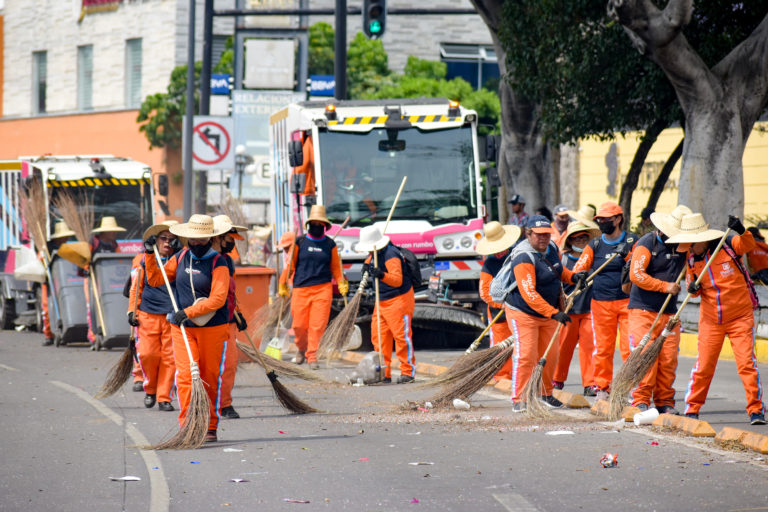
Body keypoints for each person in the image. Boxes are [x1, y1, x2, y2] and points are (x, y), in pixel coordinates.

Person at [668, 213, 765, 425]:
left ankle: (756, 410)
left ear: (702, 239)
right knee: (703, 366)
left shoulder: (728, 245)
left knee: (747, 365)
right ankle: (692, 408)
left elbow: (746, 244)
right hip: (711, 320)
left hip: (740, 317)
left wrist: (741, 229)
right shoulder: (692, 259)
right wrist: (694, 289)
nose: (689, 248)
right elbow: (692, 290)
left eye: (691, 244)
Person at [144, 214, 233, 443]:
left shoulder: (219, 262)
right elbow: (155, 280)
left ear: (210, 239)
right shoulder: (181, 256)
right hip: (182, 328)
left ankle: (210, 425)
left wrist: (188, 312)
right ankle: (187, 426)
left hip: (212, 327)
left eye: (201, 239)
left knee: (208, 377)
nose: (196, 243)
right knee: (185, 377)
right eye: (193, 238)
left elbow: (218, 299)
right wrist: (150, 255)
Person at [561, 201, 637, 401]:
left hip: (627, 302)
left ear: (618, 219)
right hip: (601, 304)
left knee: (630, 349)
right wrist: (580, 276)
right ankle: (602, 388)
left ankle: (630, 389)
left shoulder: (632, 240)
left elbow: (640, 267)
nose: (602, 223)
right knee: (603, 348)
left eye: (606, 220)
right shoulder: (594, 245)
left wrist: (628, 255)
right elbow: (579, 267)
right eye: (599, 220)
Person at [626, 205, 692, 414]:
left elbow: (691, 272)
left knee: (668, 360)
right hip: (643, 311)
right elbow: (636, 275)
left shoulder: (685, 247)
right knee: (645, 357)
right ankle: (641, 399)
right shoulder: (647, 243)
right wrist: (665, 286)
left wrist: (693, 284)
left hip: (670, 313)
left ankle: (665, 401)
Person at [506, 215, 568, 412]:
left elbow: (559, 271)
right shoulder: (523, 257)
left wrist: (574, 277)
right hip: (523, 313)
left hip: (548, 314)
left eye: (546, 235)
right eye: (538, 235)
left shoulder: (552, 249)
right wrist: (553, 313)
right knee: (526, 356)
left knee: (551, 355)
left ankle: (545, 393)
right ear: (528, 234)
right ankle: (520, 398)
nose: (543, 239)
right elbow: (528, 294)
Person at [278, 205, 347, 370]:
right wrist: (282, 283)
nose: (317, 226)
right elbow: (290, 267)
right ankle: (302, 348)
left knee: (317, 325)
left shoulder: (330, 245)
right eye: (314, 223)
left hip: (323, 289)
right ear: (309, 225)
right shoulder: (299, 242)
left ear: (324, 226)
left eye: (320, 223)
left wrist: (342, 282)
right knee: (299, 326)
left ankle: (312, 356)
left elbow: (336, 268)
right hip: (301, 289)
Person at [128, 221, 179, 412]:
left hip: (171, 317)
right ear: (156, 240)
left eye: (172, 240)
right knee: (148, 355)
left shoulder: (179, 261)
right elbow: (136, 287)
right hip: (148, 315)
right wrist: (132, 311)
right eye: (163, 238)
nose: (167, 242)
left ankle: (164, 397)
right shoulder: (144, 260)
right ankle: (150, 389)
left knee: (170, 359)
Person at [358, 225, 416, 383]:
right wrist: (366, 266)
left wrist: (382, 275)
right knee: (379, 337)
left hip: (399, 300)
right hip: (381, 301)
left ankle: (407, 372)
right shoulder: (374, 254)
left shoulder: (391, 254)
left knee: (401, 337)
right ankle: (384, 373)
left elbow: (397, 280)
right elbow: (370, 259)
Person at [553, 220, 600, 396]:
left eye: (584, 237)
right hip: (568, 311)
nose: (580, 241)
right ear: (570, 241)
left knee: (589, 349)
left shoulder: (595, 260)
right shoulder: (562, 260)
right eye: (576, 238)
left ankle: (590, 384)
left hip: (589, 310)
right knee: (564, 347)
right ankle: (557, 380)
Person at [212, 214, 249, 420]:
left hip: (228, 320)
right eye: (229, 237)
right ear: (218, 237)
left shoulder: (228, 261)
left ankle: (225, 404)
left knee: (229, 365)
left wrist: (239, 312)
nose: (232, 242)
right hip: (205, 323)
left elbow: (232, 291)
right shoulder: (202, 259)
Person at [476, 221, 523, 381]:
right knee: (501, 346)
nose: (498, 253)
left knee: (520, 345)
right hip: (500, 314)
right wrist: (501, 304)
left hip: (519, 310)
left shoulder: (517, 257)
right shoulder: (489, 265)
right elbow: (484, 293)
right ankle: (502, 376)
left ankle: (517, 376)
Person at [85, 216, 125, 346]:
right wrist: (86, 267)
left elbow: (119, 259)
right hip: (93, 279)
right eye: (112, 231)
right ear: (104, 232)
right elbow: (85, 258)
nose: (115, 233)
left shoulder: (114, 244)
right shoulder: (93, 242)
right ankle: (93, 336)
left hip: (109, 282)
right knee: (91, 305)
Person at [41, 221, 76, 346]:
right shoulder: (47, 247)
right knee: (46, 307)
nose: (66, 238)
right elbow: (41, 262)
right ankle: (49, 334)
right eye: (64, 236)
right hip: (49, 280)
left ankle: (63, 329)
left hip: (63, 281)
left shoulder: (66, 247)